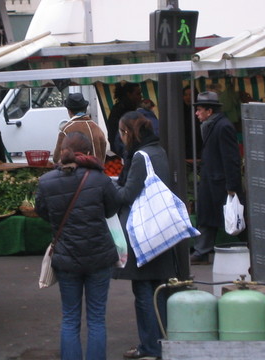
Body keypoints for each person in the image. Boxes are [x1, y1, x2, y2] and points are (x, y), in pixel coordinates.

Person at [35, 131, 120, 360]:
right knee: (96, 318)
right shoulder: (100, 178)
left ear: (62, 150)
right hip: (99, 255)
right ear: (89, 152)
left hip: (66, 256)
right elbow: (112, 209)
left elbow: (43, 211)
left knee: (70, 318)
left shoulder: (46, 182)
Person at [113, 111, 178, 360]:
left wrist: (110, 185)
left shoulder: (140, 157)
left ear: (128, 133)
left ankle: (150, 347)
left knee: (143, 291)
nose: (120, 138)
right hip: (159, 229)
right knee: (158, 289)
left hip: (141, 231)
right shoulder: (158, 151)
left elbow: (127, 195)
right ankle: (160, 343)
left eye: (121, 132)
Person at [191, 91, 244, 265]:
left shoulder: (223, 126)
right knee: (208, 218)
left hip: (220, 183)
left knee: (235, 216)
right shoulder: (212, 125)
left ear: (209, 111)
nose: (197, 113)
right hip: (213, 181)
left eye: (199, 110)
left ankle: (254, 246)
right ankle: (202, 251)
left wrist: (232, 185)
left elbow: (231, 158)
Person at [53, 92, 107, 165]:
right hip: (96, 172)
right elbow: (103, 152)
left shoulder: (66, 129)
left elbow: (56, 158)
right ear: (85, 109)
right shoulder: (97, 128)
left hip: (74, 173)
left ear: (69, 111)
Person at [106, 82, 143, 156]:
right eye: (138, 94)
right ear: (129, 94)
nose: (141, 97)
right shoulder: (122, 111)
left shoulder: (121, 109)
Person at [182, 86, 202, 160]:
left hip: (197, 144)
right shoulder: (179, 110)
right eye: (185, 95)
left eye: (190, 95)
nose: (188, 97)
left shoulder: (199, 111)